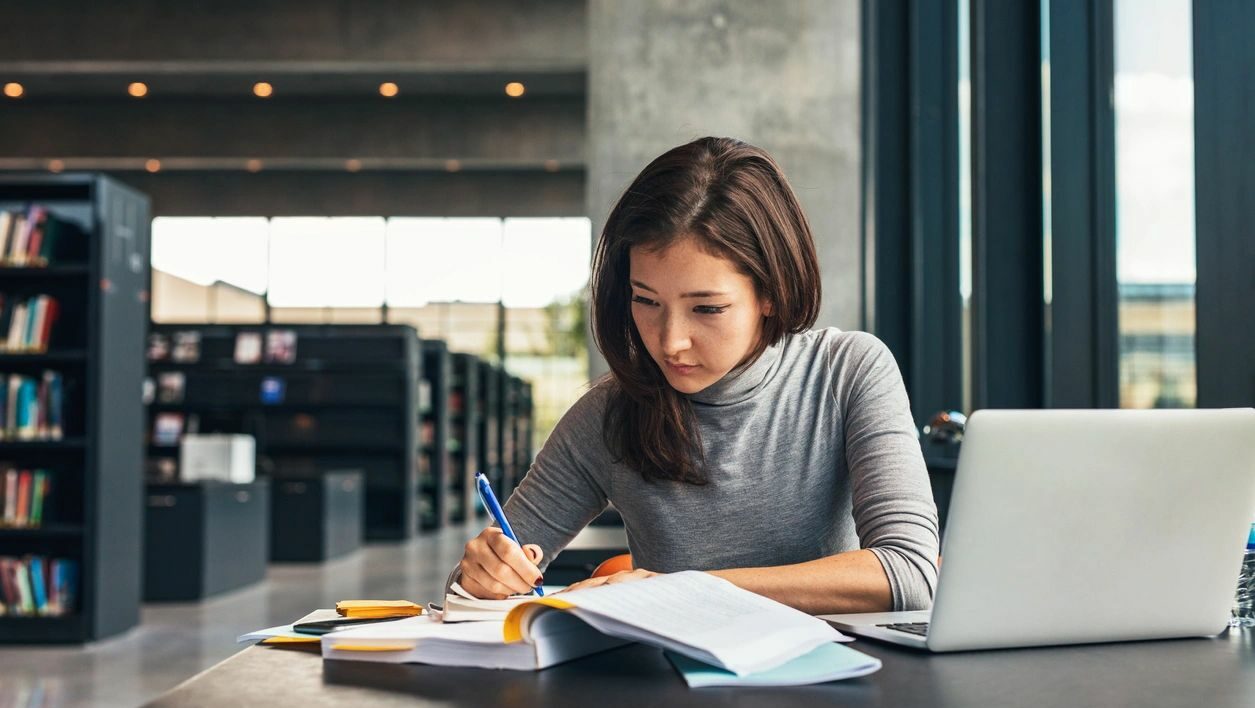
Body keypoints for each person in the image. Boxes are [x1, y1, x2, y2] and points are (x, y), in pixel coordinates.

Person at [456, 137, 939, 614]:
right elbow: (467, 592)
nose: (670, 342)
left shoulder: (847, 372)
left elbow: (909, 573)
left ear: (770, 292)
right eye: (646, 301)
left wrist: (676, 589)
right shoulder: (608, 413)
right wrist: (480, 577)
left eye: (706, 308)